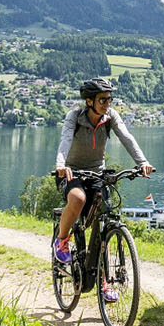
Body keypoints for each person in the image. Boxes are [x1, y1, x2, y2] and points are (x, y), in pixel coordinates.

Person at [52, 76, 154, 265]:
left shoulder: (110, 117)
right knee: (78, 199)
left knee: (104, 219)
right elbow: (65, 140)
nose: (107, 104)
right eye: (103, 100)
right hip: (71, 172)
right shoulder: (74, 117)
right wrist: (61, 165)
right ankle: (62, 240)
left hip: (97, 173)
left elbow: (126, 137)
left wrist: (142, 162)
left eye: (109, 100)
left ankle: (104, 280)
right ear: (89, 101)